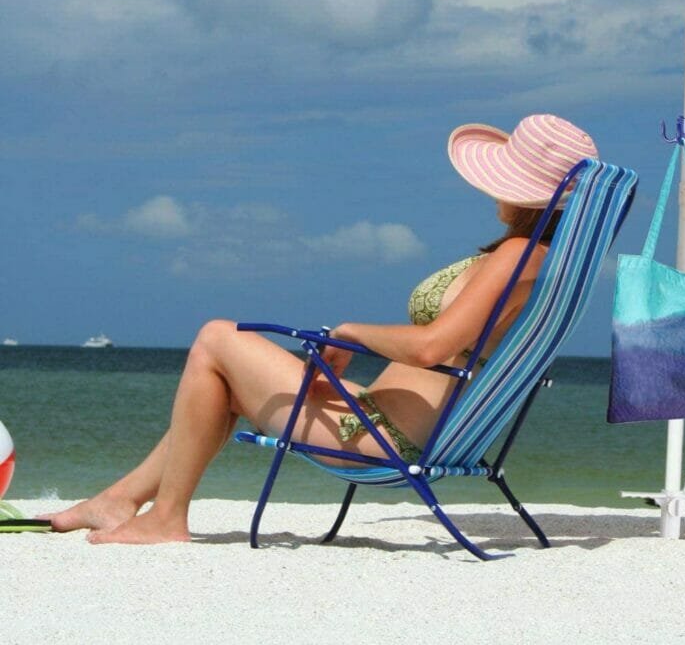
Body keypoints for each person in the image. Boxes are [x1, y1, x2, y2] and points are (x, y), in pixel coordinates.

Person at [44, 114, 599, 545]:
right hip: (375, 415)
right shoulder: (535, 259)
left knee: (217, 336)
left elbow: (435, 346)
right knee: (227, 374)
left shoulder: (519, 256)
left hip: (380, 437)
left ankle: (166, 516)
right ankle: (121, 499)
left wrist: (352, 334)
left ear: (529, 193)